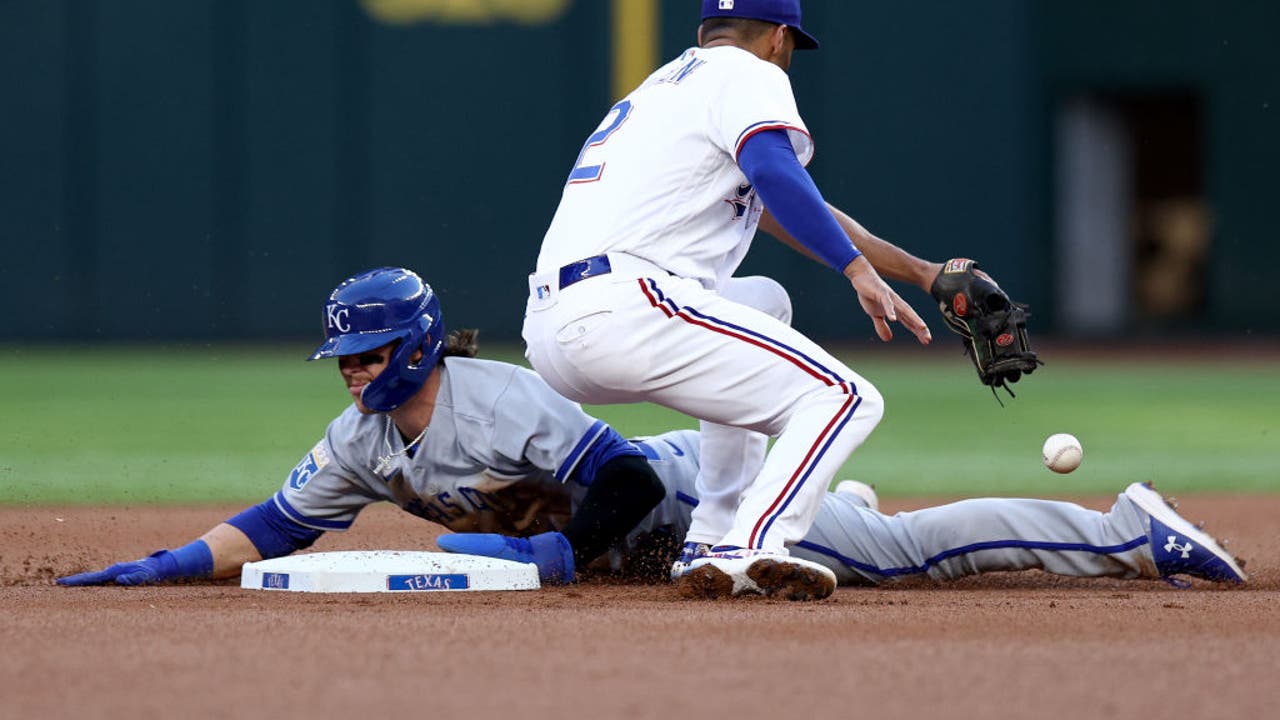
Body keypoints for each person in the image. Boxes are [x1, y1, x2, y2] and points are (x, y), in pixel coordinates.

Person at [57, 267, 1247, 594]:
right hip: (631, 525)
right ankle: (845, 501)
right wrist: (170, 563)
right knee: (859, 527)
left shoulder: (501, 398)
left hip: (680, 498)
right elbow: (277, 522)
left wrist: (559, 558)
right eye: (343, 356)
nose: (354, 370)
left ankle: (1120, 529)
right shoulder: (361, 440)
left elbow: (618, 471)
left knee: (893, 561)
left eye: (367, 352)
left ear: (415, 346)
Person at [521, 0, 1014, 599]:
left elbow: (788, 199)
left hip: (556, 328)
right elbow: (777, 173)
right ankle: (752, 543)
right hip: (627, 305)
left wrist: (922, 272)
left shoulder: (666, 86)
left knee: (763, 300)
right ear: (780, 37)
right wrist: (855, 270)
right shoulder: (750, 74)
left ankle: (713, 532)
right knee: (845, 398)